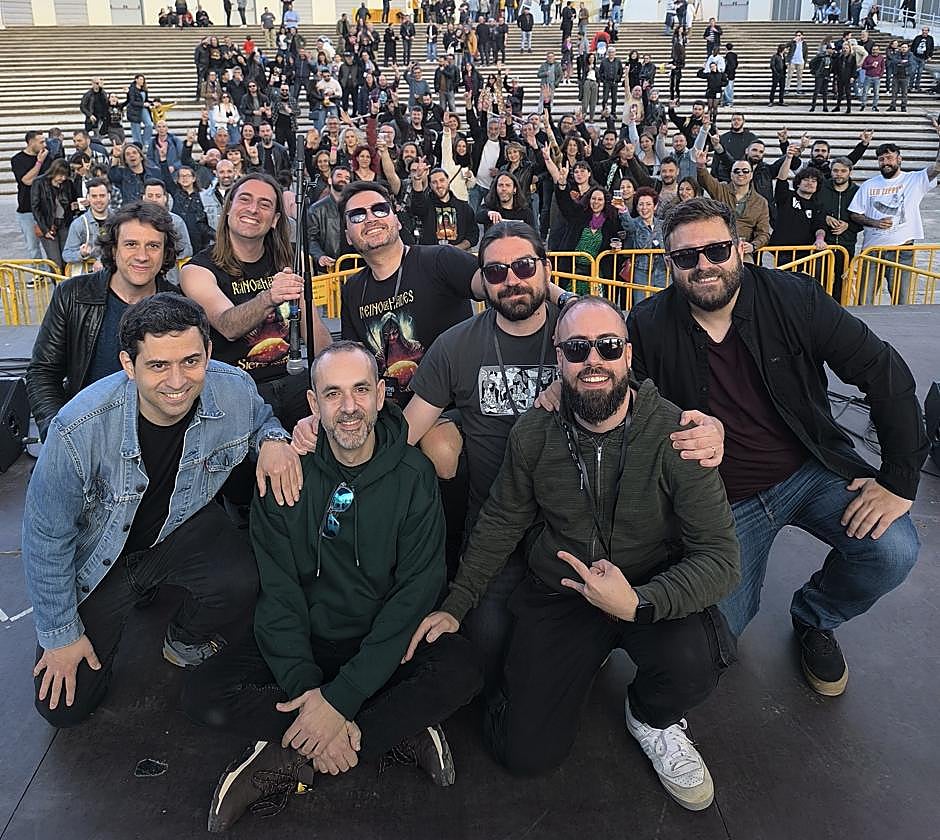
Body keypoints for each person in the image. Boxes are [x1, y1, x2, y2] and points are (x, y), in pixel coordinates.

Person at [407, 292, 739, 808]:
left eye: (608, 346)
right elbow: (501, 520)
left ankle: (651, 716)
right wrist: (457, 602)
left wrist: (638, 603)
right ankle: (553, 678)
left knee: (702, 659)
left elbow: (720, 556)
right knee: (524, 754)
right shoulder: (535, 432)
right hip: (561, 589)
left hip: (644, 583)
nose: (594, 362)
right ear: (557, 359)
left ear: (628, 354)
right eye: (577, 348)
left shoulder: (676, 435)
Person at [625, 197, 926, 697]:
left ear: (741, 250)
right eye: (686, 257)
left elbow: (881, 370)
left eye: (717, 250)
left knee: (893, 549)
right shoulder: (649, 324)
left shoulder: (793, 297)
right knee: (716, 641)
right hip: (725, 500)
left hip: (808, 469)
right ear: (668, 264)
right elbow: (620, 400)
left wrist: (898, 479)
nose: (704, 266)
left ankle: (815, 617)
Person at [185, 341, 483, 832]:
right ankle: (384, 730)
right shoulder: (284, 472)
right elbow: (279, 596)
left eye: (361, 390)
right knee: (202, 693)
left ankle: (293, 753)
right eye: (333, 394)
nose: (348, 408)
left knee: (463, 666)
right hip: (309, 637)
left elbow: (415, 593)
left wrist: (340, 702)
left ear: (382, 395)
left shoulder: (413, 475)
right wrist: (310, 690)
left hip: (382, 641)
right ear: (313, 404)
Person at [23, 292, 303, 729]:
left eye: (191, 361)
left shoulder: (233, 389)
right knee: (63, 709)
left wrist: (272, 440)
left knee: (244, 577)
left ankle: (184, 638)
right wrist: (60, 635)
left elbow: (260, 417)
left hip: (176, 530)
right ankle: (113, 610)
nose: (177, 380)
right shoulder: (78, 430)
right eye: (157, 365)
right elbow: (45, 537)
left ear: (208, 352)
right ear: (128, 365)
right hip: (101, 559)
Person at [181, 172, 333, 441]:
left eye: (264, 204)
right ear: (228, 209)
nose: (253, 209)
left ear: (275, 220)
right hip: (238, 390)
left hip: (295, 382)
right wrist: (269, 297)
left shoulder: (287, 263)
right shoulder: (198, 269)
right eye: (245, 200)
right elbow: (227, 325)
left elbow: (317, 335)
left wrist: (332, 385)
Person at [26, 203, 181, 440]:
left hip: (158, 440)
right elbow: (43, 372)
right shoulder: (72, 295)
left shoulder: (179, 305)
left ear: (165, 252)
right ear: (113, 249)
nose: (142, 256)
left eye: (153, 246)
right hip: (86, 434)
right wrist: (58, 432)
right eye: (131, 244)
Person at [848, 139, 940, 305]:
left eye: (889, 158)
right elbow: (855, 213)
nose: (885, 162)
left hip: (902, 250)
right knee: (864, 300)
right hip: (872, 250)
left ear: (899, 159)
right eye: (881, 159)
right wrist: (875, 223)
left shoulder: (915, 179)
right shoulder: (868, 185)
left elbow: (937, 167)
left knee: (901, 301)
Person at [693, 150, 769, 263]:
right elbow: (705, 179)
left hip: (743, 252)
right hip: (718, 248)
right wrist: (700, 165)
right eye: (736, 171)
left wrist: (753, 246)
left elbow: (764, 233)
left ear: (751, 175)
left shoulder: (761, 202)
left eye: (745, 171)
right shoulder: (721, 190)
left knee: (747, 277)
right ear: (731, 175)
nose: (741, 174)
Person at [814, 156, 861, 302]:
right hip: (824, 245)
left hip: (846, 245)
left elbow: (863, 218)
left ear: (850, 172)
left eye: (843, 171)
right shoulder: (821, 188)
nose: (839, 174)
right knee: (819, 281)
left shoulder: (858, 191)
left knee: (842, 284)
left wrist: (849, 225)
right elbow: (812, 211)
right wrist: (825, 218)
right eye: (835, 171)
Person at [409, 166, 480, 248]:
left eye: (442, 180)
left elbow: (473, 235)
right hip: (432, 256)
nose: (439, 185)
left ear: (448, 181)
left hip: (457, 256)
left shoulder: (464, 208)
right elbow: (417, 206)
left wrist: (458, 248)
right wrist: (417, 180)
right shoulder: (426, 205)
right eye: (434, 182)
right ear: (430, 186)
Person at [30, 159, 78, 271]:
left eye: (65, 176)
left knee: (66, 259)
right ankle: (58, 285)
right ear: (54, 171)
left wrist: (74, 206)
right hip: (48, 225)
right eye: (61, 175)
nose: (63, 178)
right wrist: (45, 229)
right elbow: (35, 207)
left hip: (65, 224)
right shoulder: (39, 183)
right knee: (55, 260)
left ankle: (67, 285)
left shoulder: (68, 184)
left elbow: (73, 201)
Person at [61, 177, 112, 275]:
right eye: (94, 196)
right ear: (88, 197)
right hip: (88, 278)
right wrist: (81, 254)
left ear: (109, 196)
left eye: (102, 195)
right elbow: (66, 255)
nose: (98, 200)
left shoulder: (118, 220)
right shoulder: (78, 224)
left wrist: (103, 260)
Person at [307, 165, 351, 274]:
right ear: (330, 180)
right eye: (339, 176)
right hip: (329, 268)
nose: (343, 180)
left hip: (355, 266)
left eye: (347, 178)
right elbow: (311, 239)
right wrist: (320, 256)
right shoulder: (316, 209)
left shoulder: (355, 206)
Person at [786, 31, 806, 95]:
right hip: (792, 61)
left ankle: (799, 89)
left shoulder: (804, 43)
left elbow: (806, 53)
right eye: (797, 35)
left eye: (799, 35)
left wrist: (804, 61)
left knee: (800, 76)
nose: (798, 37)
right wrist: (793, 40)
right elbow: (786, 46)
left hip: (801, 62)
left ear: (802, 36)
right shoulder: (793, 43)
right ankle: (787, 89)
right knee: (789, 76)